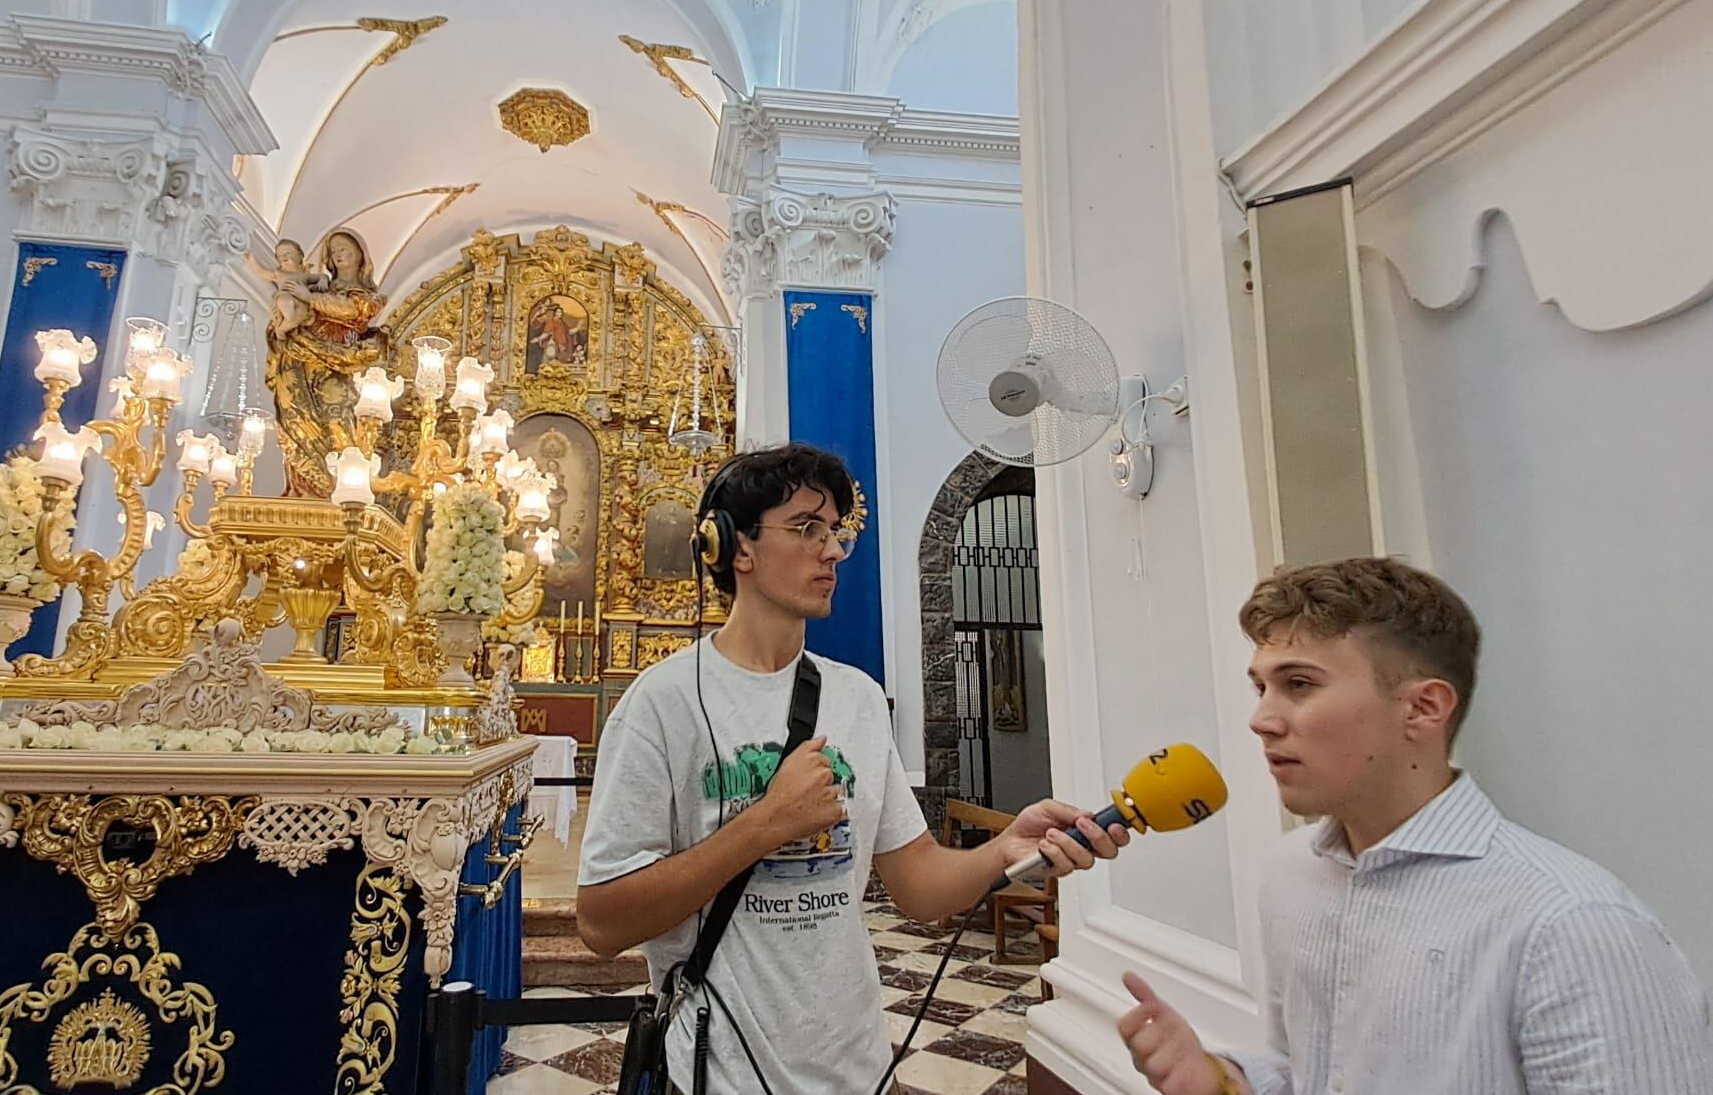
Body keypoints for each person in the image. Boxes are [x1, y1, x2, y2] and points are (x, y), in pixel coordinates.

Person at [577, 443, 1128, 1094]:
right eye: (807, 528)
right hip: (719, 1074)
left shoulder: (859, 699)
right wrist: (764, 825)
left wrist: (1009, 848)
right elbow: (601, 922)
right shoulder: (662, 704)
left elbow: (919, 886)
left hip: (860, 1068)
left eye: (835, 531)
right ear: (733, 548)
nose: (833, 550)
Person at [1117, 557, 1713, 1095]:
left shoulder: (1575, 925)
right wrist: (1225, 1081)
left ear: (1424, 708)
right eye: (1261, 686)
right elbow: (1313, 1075)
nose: (1261, 720)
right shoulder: (1290, 874)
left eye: (1299, 684)